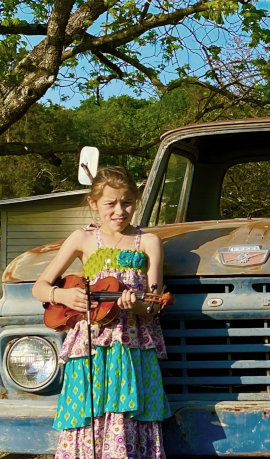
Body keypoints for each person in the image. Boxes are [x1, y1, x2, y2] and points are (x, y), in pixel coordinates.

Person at [32, 166, 171, 459]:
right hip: (90, 347)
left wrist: (138, 306)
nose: (120, 211)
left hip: (132, 345)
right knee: (89, 415)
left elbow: (153, 305)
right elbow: (40, 287)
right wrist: (62, 294)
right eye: (110, 203)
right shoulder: (81, 239)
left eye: (127, 202)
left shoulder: (149, 242)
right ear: (93, 203)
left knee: (130, 415)